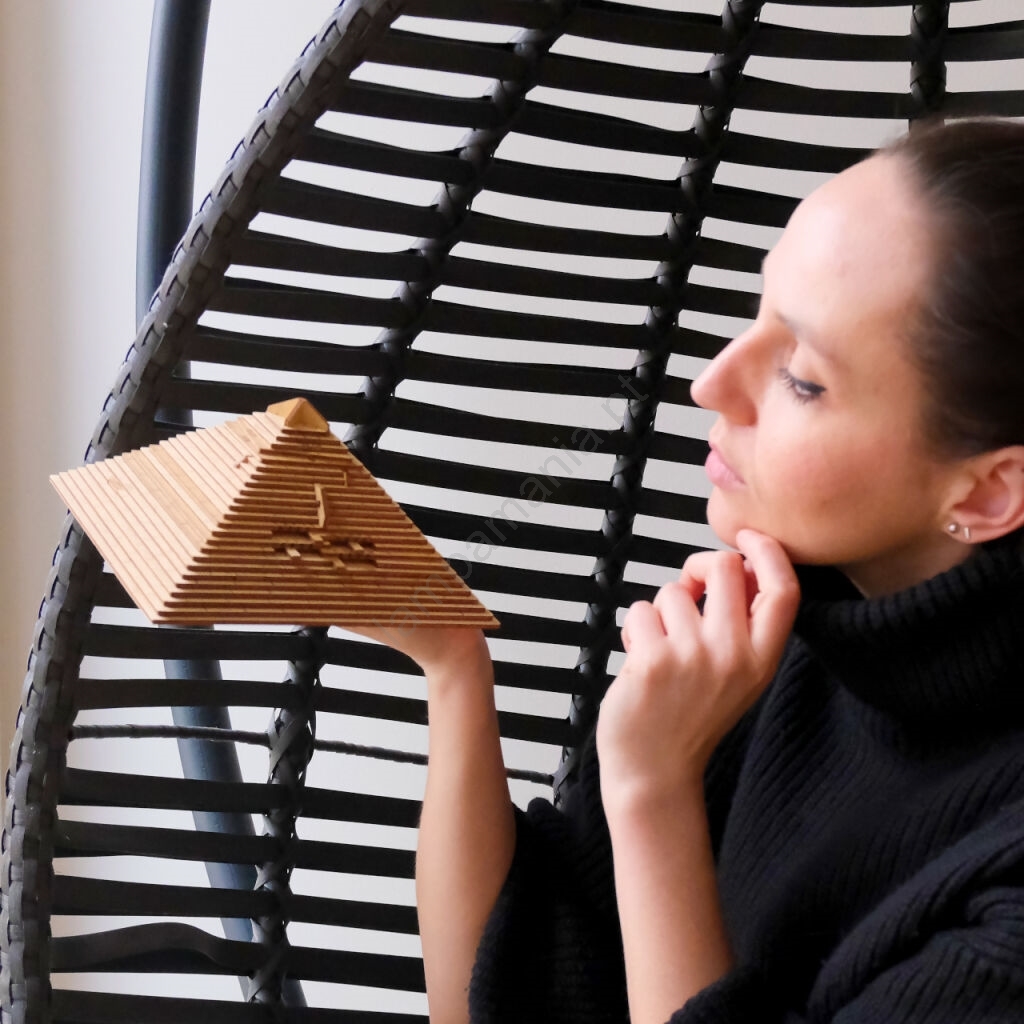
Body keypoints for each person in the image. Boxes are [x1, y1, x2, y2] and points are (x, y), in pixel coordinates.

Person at [362, 117, 1024, 1022]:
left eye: (802, 378)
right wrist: (453, 664)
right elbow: (486, 1002)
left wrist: (653, 793)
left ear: (989, 493)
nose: (711, 383)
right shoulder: (772, 641)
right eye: (760, 311)